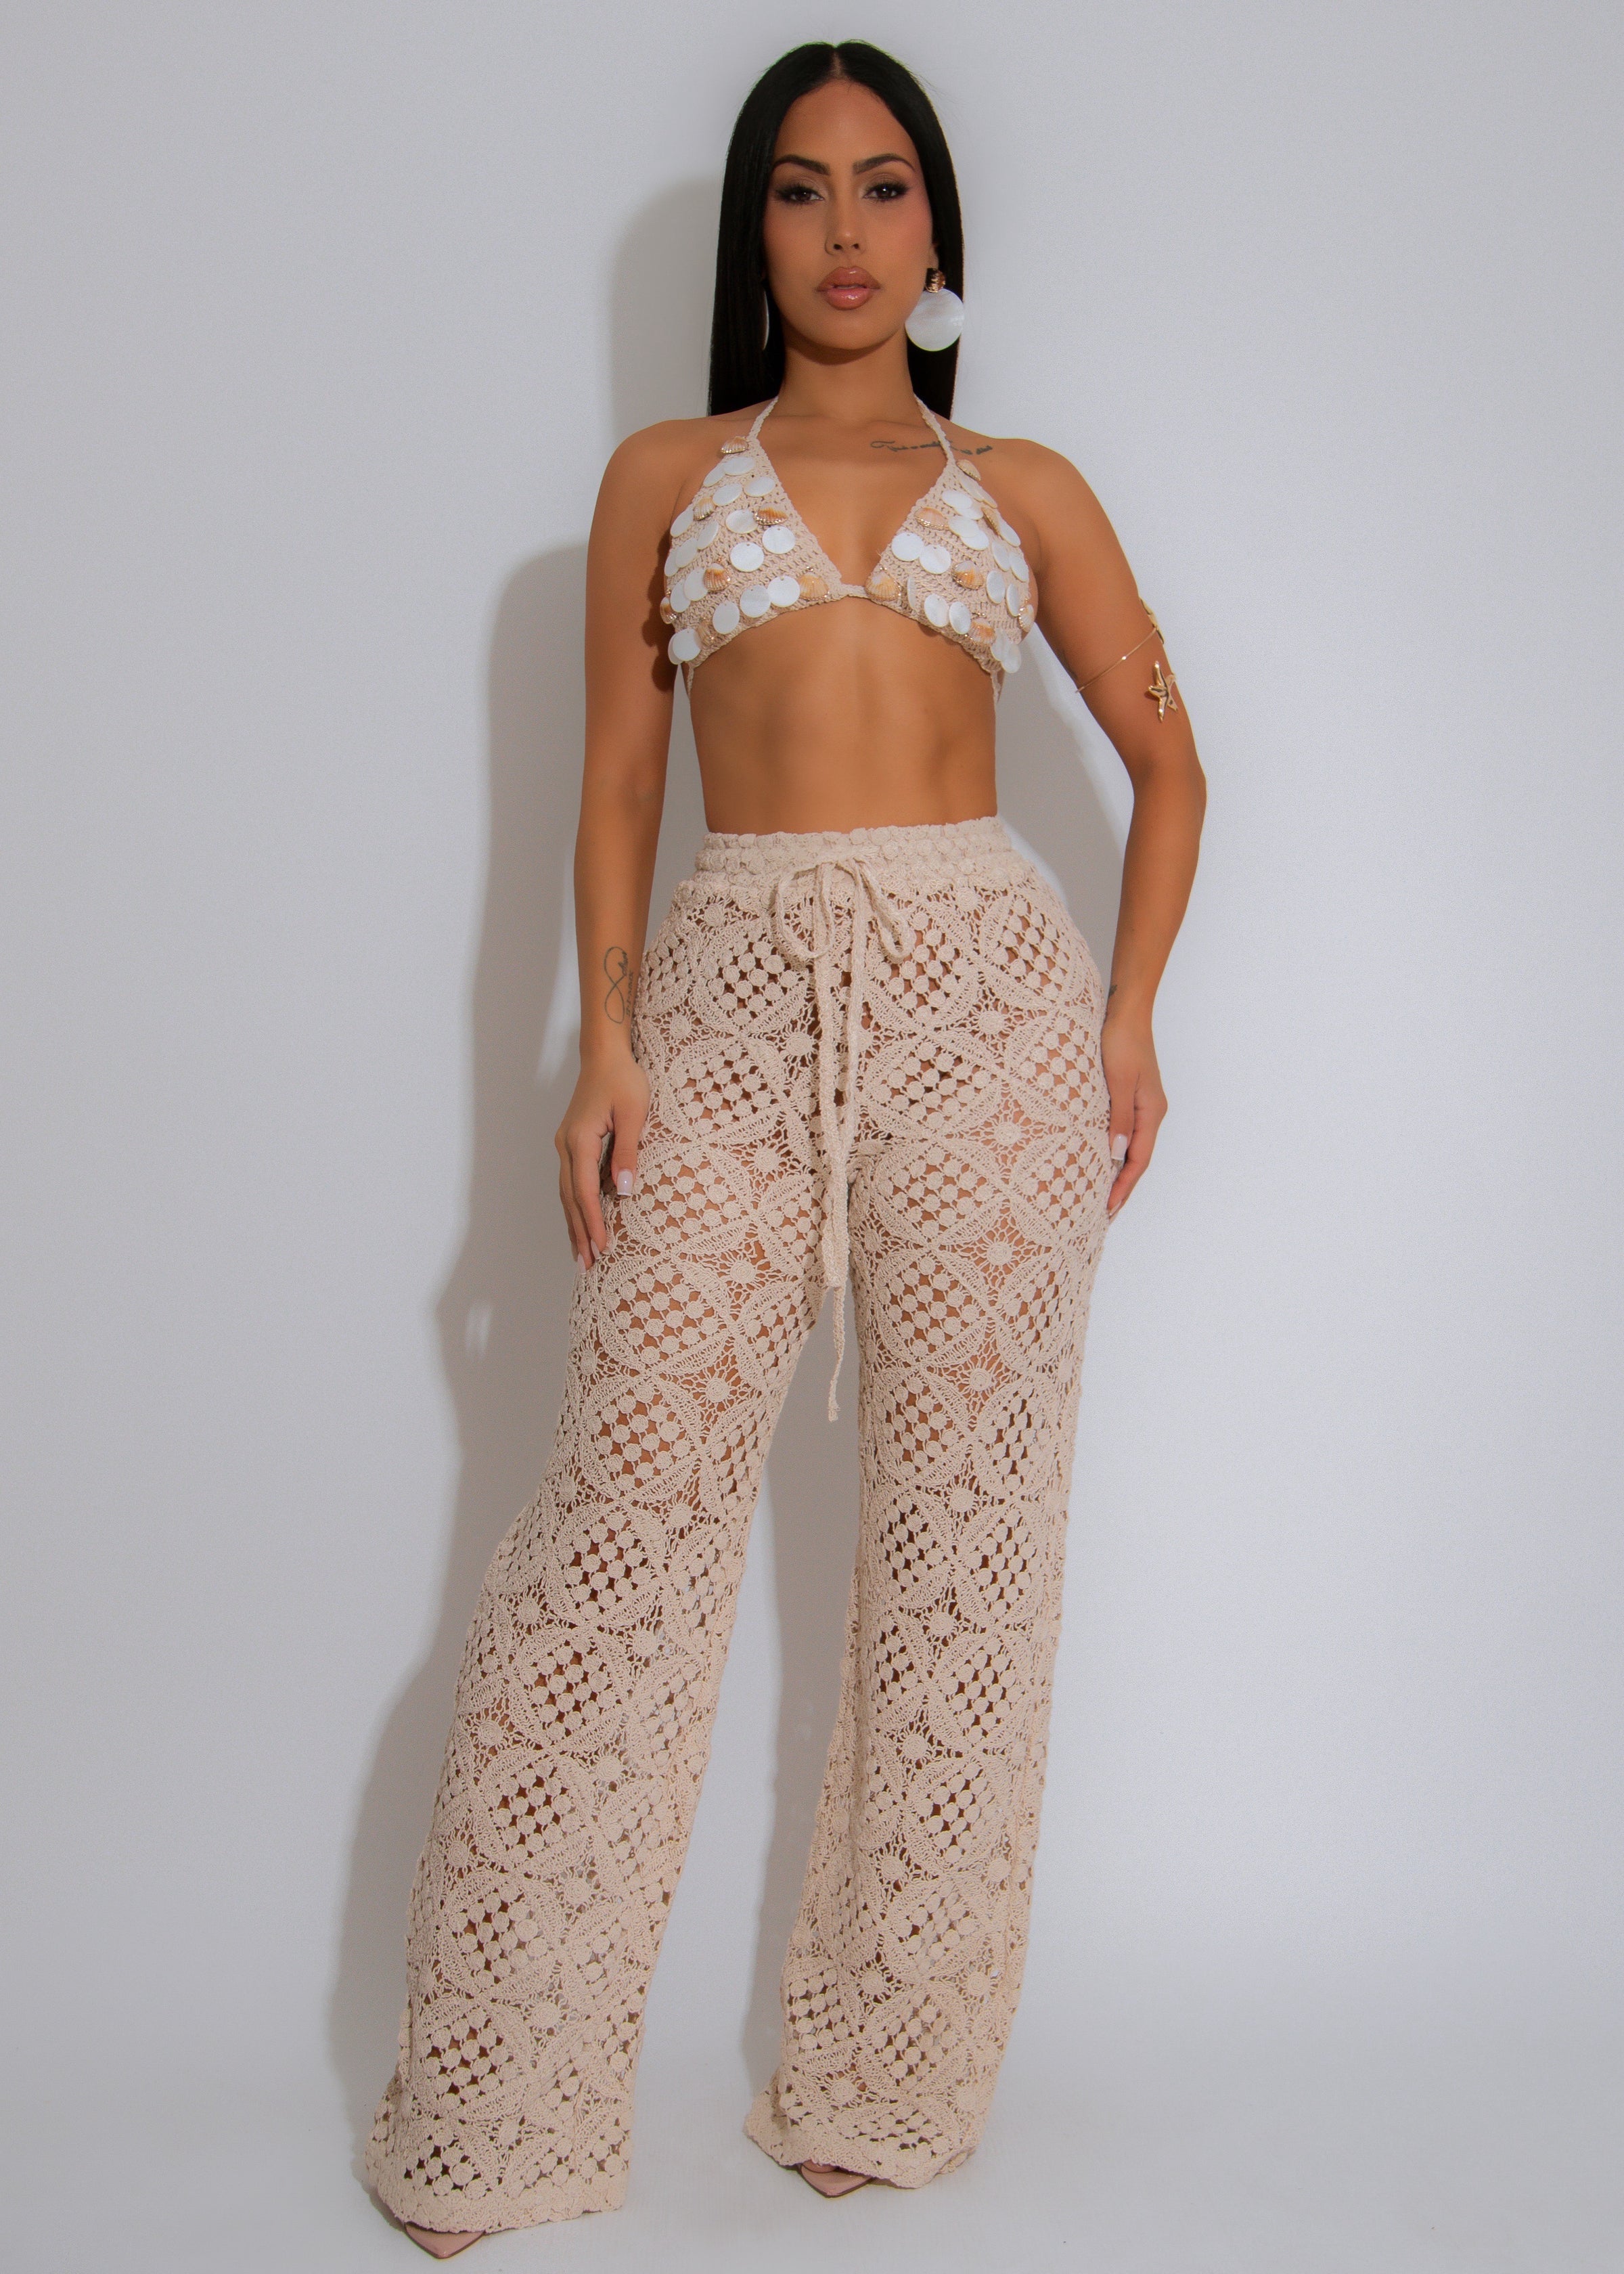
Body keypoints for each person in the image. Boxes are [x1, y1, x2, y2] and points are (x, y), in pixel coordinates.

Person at [365, 39, 1205, 2256]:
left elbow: (1174, 767)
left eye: (887, 186)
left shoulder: (1026, 486)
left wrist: (1123, 1019)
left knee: (963, 1539)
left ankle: (886, 2079)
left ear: (939, 230)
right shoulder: (665, 474)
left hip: (986, 1014)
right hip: (727, 1005)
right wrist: (603, 1048)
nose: (847, 231)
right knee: (618, 1524)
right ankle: (493, 2103)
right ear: (757, 230)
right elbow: (617, 788)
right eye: (804, 190)